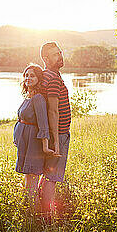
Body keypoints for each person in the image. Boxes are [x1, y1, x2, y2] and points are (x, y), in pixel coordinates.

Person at [13, 64, 56, 211]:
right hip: (24, 143)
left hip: (34, 144)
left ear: (38, 78)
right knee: (28, 178)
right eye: (26, 75)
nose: (28, 78)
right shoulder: (28, 96)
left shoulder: (38, 98)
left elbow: (43, 124)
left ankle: (35, 216)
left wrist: (45, 146)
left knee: (32, 179)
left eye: (32, 76)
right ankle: (30, 211)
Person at [39, 41, 71, 221]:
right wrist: (57, 141)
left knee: (48, 174)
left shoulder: (51, 75)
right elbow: (53, 110)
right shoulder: (51, 78)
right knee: (52, 176)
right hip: (57, 135)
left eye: (60, 52)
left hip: (55, 134)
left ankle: (41, 211)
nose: (60, 56)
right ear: (46, 59)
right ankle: (47, 218)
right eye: (55, 54)